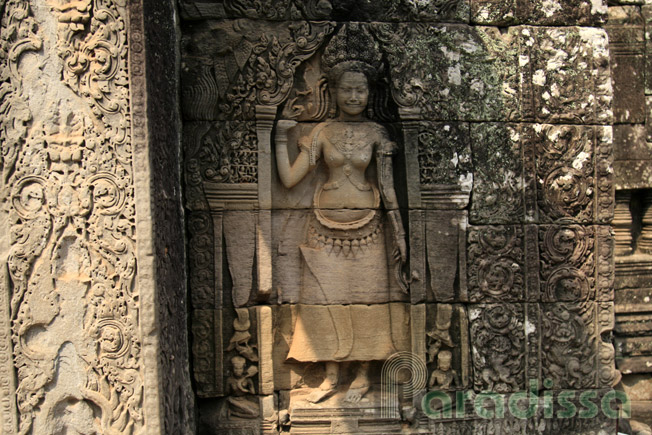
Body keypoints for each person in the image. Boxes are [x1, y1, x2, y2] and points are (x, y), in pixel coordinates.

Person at [275, 24, 408, 404]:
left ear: (369, 93)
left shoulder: (377, 133)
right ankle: (331, 375)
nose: (354, 96)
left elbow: (388, 189)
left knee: (370, 299)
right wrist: (279, 138)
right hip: (323, 229)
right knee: (325, 299)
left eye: (360, 89)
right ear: (331, 91)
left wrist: (399, 232)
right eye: (346, 89)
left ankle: (365, 374)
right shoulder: (319, 133)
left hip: (369, 230)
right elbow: (288, 179)